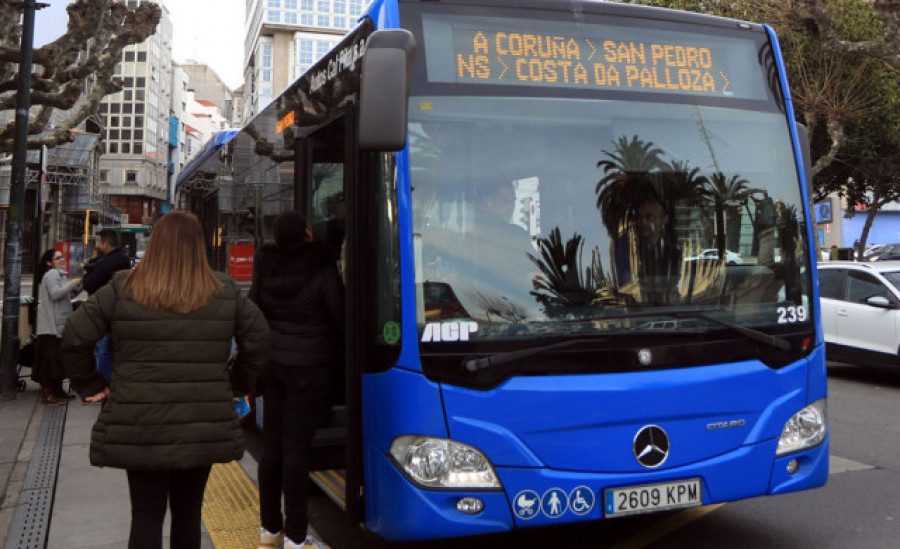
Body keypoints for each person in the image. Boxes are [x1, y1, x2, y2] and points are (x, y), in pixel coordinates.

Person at [61, 211, 269, 549]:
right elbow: (259, 339)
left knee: (145, 514)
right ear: (198, 247)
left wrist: (92, 384)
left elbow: (73, 335)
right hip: (201, 422)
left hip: (140, 423)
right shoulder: (224, 290)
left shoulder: (122, 287)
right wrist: (238, 385)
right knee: (189, 513)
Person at [250, 210, 344, 549]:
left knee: (271, 447)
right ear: (306, 232)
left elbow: (253, 310)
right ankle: (297, 537)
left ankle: (270, 530)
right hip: (310, 371)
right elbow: (340, 316)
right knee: (296, 451)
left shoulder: (266, 265)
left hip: (273, 368)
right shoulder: (322, 267)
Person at [612, 192, 681, 303]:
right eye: (639, 217)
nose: (643, 222)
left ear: (664, 220)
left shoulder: (672, 244)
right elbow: (624, 284)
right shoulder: (625, 244)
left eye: (650, 218)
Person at [81, 229, 132, 381]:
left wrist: (87, 274)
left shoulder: (105, 263)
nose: (97, 245)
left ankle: (103, 382)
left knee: (102, 348)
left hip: (103, 311)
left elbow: (89, 284)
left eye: (99, 241)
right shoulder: (123, 259)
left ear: (105, 242)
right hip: (121, 309)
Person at [32, 249, 81, 405]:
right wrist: (73, 283)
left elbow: (60, 295)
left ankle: (57, 391)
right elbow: (55, 294)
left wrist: (73, 289)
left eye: (62, 257)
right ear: (49, 262)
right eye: (58, 257)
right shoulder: (52, 274)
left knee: (55, 360)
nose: (62, 259)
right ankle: (49, 394)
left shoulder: (54, 275)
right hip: (53, 326)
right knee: (52, 361)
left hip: (52, 324)